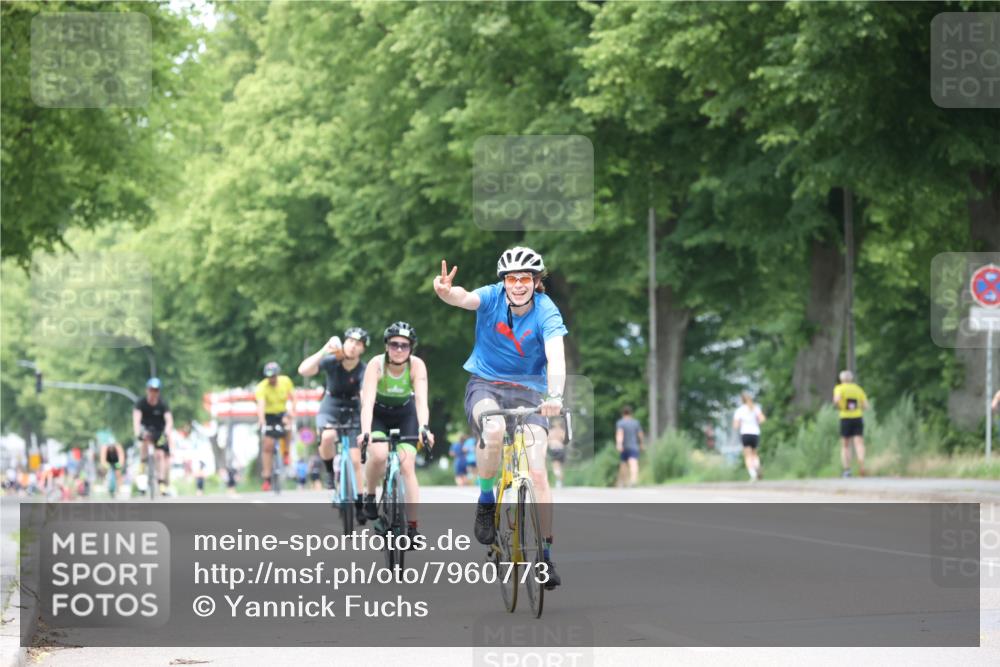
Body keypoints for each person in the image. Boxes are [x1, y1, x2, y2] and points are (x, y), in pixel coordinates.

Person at [433, 247, 567, 589]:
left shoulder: (546, 310)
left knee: (538, 471)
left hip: (529, 391)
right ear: (504, 282)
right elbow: (465, 298)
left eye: (525, 279)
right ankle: (485, 500)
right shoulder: (492, 297)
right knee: (493, 430)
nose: (518, 285)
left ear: (536, 282)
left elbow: (556, 356)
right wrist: (447, 294)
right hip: (485, 385)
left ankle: (545, 556)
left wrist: (554, 397)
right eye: (512, 279)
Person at [356, 322, 434, 543]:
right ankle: (370, 495)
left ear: (411, 348)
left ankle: (413, 527)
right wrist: (365, 432)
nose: (399, 349)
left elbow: (421, 401)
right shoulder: (376, 364)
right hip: (379, 415)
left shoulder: (417, 366)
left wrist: (424, 428)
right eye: (394, 344)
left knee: (407, 465)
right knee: (379, 455)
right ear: (386, 346)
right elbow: (367, 402)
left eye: (404, 345)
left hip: (405, 414)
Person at [299, 327, 369, 522]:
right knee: (328, 436)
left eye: (358, 344)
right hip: (330, 405)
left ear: (362, 349)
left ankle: (359, 504)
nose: (353, 346)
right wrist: (324, 350)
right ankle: (330, 472)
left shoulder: (363, 369)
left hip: (353, 408)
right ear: (344, 343)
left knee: (356, 460)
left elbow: (365, 394)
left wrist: (367, 416)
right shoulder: (332, 361)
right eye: (350, 341)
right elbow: (304, 370)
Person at [255, 361, 297, 492]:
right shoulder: (261, 387)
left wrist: (292, 412)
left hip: (282, 413)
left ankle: (286, 453)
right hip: (269, 416)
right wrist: (261, 420)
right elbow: (261, 405)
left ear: (277, 375)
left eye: (273, 376)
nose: (271, 379)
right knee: (267, 446)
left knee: (288, 426)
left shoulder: (286, 381)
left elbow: (293, 397)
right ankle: (267, 477)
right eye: (269, 377)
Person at [132, 378, 176, 495]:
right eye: (151, 390)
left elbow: (169, 420)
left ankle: (161, 483)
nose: (153, 393)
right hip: (146, 429)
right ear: (147, 390)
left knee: (160, 455)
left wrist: (166, 432)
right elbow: (136, 419)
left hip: (159, 432)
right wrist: (137, 432)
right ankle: (142, 468)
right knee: (144, 444)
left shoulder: (163, 404)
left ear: (159, 392)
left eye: (156, 390)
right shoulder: (141, 403)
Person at [833, 370, 869, 477]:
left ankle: (847, 470)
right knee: (859, 443)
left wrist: (839, 406)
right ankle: (861, 462)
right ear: (851, 379)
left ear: (841, 379)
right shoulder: (858, 389)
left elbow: (836, 400)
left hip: (845, 417)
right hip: (858, 417)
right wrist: (858, 407)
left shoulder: (839, 388)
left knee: (845, 445)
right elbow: (866, 406)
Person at [733, 392, 766, 481]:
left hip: (745, 433)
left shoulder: (740, 410)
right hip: (755, 433)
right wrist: (756, 423)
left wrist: (740, 425)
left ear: (742, 400)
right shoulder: (755, 408)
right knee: (755, 454)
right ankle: (757, 466)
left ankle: (753, 474)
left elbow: (735, 425)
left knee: (748, 455)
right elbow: (762, 419)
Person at [615, 406, 645, 487]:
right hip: (634, 446)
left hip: (624, 447)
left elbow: (620, 433)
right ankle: (633, 480)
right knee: (634, 463)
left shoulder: (620, 423)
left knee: (624, 464)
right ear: (631, 413)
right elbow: (640, 434)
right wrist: (642, 444)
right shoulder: (636, 423)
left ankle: (624, 482)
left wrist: (619, 444)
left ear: (623, 414)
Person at [547, 417, 567, 489]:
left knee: (556, 467)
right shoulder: (561, 431)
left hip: (556, 450)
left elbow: (548, 441)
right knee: (559, 467)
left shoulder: (552, 432)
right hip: (560, 449)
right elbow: (565, 440)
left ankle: (559, 481)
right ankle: (560, 481)